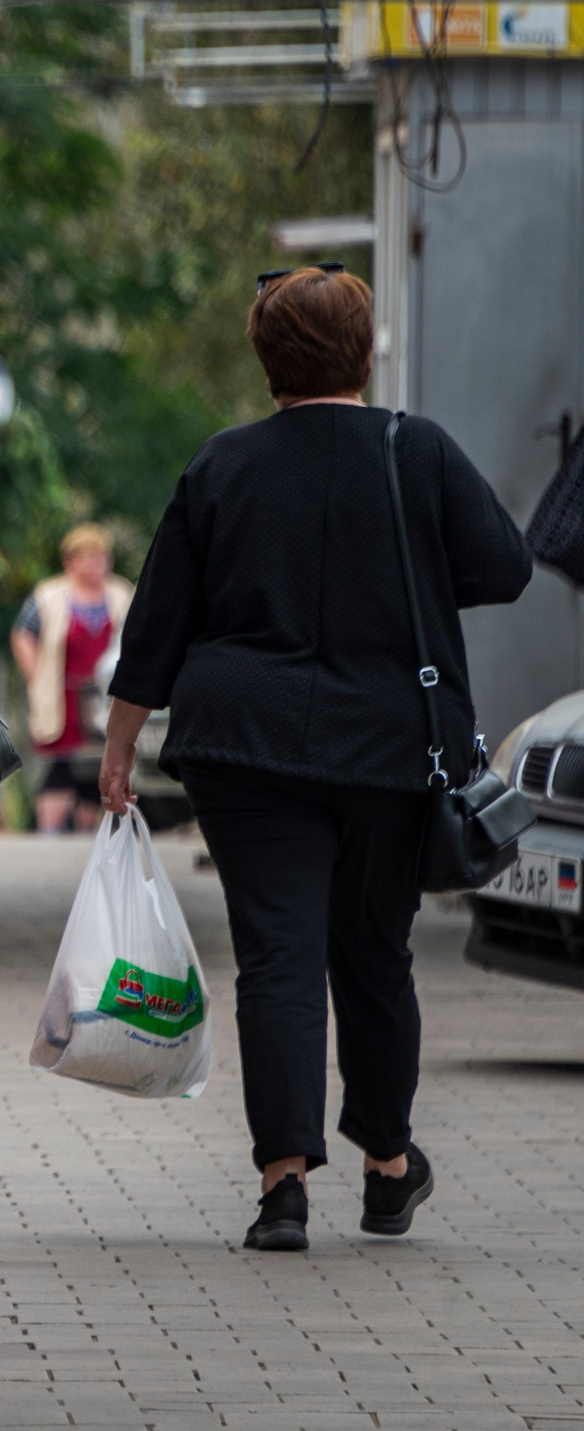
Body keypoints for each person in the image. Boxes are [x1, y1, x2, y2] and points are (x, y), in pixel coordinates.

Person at [101, 265, 530, 1253]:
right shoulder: (417, 450)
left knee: (277, 956)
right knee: (373, 952)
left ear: (266, 357)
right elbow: (504, 566)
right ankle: (387, 1164)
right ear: (363, 352)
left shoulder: (222, 464)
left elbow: (158, 619)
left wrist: (119, 745)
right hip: (389, 744)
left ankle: (282, 1185)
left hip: (244, 746)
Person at [10, 525, 135, 833]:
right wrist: (36, 675)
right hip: (63, 698)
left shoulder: (122, 594)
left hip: (104, 700)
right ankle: (50, 833)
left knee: (98, 764)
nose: (97, 565)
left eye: (101, 558)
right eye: (89, 558)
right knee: (60, 766)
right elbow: (23, 634)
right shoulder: (49, 595)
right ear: (70, 561)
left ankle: (85, 833)